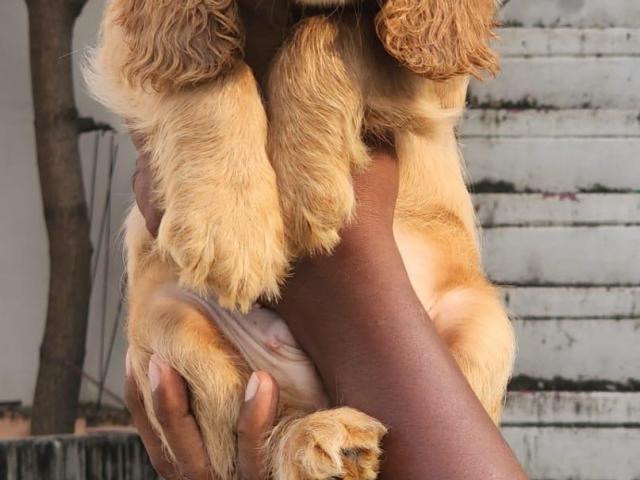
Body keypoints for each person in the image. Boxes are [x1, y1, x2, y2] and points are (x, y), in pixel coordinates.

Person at [128, 142, 528, 479]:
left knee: (481, 332)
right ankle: (288, 442)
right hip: (210, 320)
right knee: (170, 328)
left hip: (426, 303)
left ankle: (293, 447)